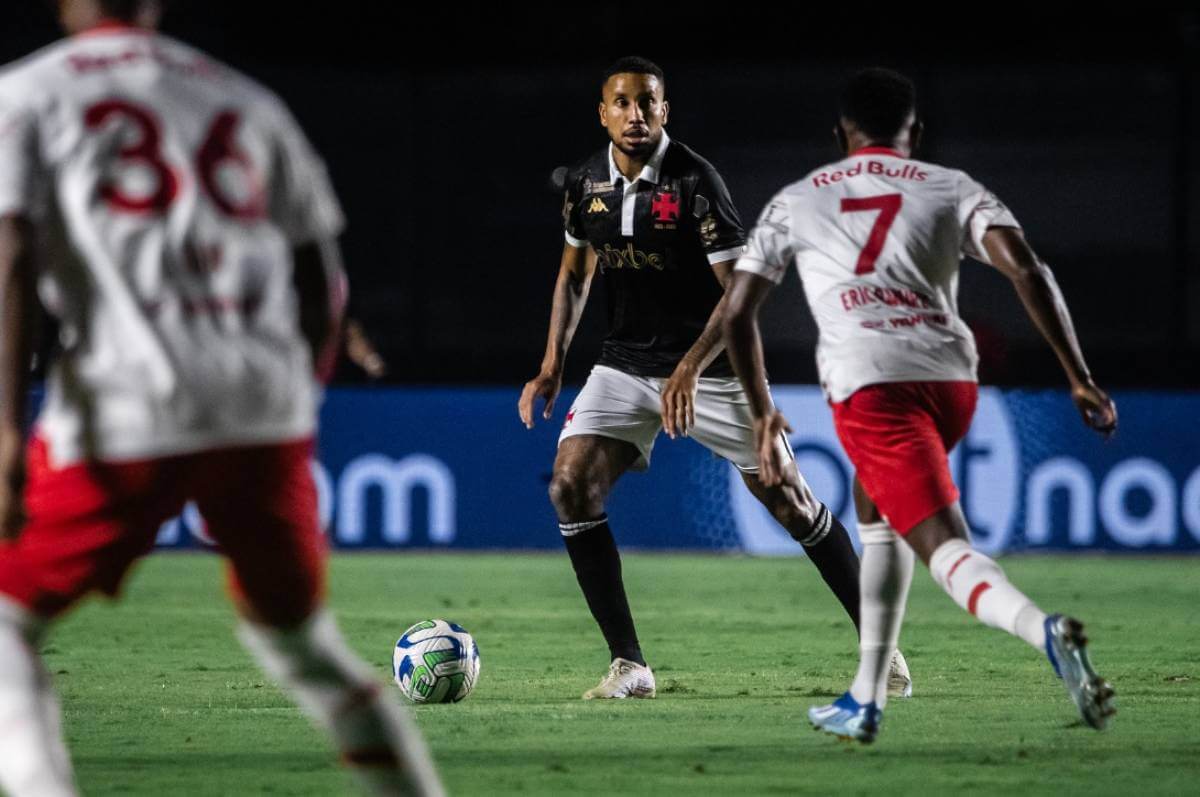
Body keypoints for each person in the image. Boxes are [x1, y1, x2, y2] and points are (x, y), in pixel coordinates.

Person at [0, 1, 443, 794]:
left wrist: (5, 428)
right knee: (306, 648)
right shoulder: (244, 99)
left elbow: (10, 255)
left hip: (124, 406)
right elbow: (320, 280)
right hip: (262, 409)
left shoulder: (26, 93)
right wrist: (296, 402)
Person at [724, 67, 1117, 743]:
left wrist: (761, 412)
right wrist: (1078, 375)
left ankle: (1043, 630)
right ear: (916, 131)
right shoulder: (951, 185)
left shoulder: (797, 200)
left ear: (841, 132)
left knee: (942, 546)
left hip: (872, 383)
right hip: (953, 382)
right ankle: (866, 695)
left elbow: (736, 314)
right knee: (875, 512)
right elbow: (1028, 269)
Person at [519, 56, 911, 700]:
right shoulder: (585, 182)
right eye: (622, 102)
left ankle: (883, 649)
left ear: (665, 110)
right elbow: (574, 274)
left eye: (647, 102)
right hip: (623, 364)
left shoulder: (695, 181)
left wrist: (687, 369)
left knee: (791, 502)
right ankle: (630, 665)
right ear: (603, 111)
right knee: (569, 486)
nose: (635, 114)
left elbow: (738, 299)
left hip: (713, 371)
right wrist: (551, 366)